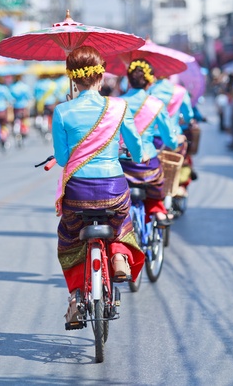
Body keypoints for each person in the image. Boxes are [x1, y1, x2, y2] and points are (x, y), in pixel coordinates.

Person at [52, 46, 148, 324]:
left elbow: (61, 158)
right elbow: (137, 150)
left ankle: (74, 300)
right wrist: (133, 154)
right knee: (120, 220)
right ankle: (118, 256)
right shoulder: (119, 107)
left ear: (73, 78)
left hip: (77, 193)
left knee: (69, 237)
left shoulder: (62, 111)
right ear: (101, 75)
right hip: (113, 191)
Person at [120, 59, 184, 225]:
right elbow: (170, 139)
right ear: (149, 82)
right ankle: (157, 209)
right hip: (147, 167)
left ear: (128, 80)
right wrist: (175, 143)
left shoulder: (116, 103)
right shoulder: (156, 104)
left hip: (122, 166)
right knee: (157, 185)